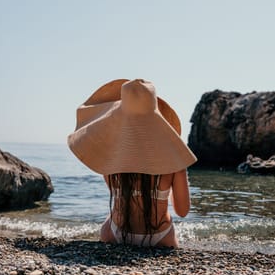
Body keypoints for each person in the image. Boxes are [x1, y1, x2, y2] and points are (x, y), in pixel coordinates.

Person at [67, 79, 197, 247]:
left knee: (110, 218)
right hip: (160, 236)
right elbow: (182, 211)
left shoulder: (111, 153)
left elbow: (117, 193)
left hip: (115, 233)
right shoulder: (174, 158)